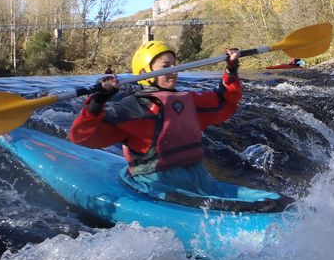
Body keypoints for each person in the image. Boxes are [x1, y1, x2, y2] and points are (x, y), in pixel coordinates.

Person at [69, 41, 242, 197]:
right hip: (156, 184)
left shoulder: (188, 100)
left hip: (197, 179)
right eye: (167, 67)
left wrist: (231, 71)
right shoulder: (132, 108)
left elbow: (225, 103)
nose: (174, 72)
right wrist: (98, 100)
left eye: (174, 66)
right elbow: (82, 136)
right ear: (145, 72)